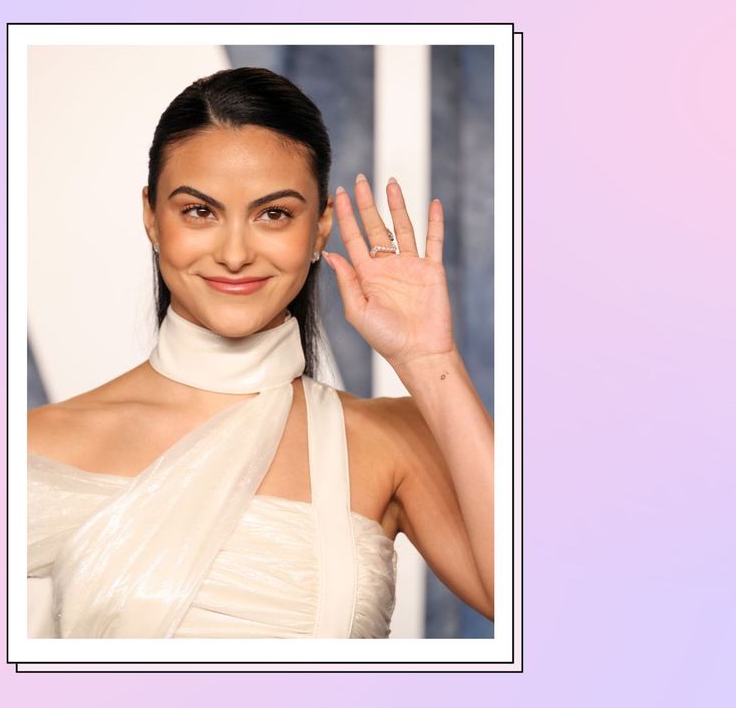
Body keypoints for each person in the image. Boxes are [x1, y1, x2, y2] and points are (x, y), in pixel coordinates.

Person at [27, 66, 494, 639]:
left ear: (321, 226)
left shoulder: (390, 439)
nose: (235, 253)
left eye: (274, 214)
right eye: (199, 211)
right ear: (151, 215)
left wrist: (430, 360)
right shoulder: (30, 446)